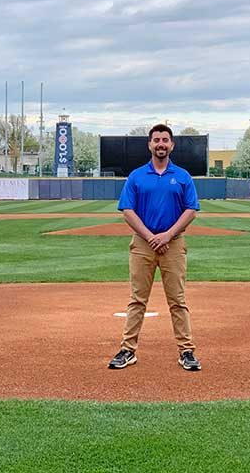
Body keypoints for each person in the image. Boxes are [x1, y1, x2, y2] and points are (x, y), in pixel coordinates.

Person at [108, 124, 202, 371]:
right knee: (137, 300)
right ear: (150, 144)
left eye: (165, 140)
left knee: (177, 300)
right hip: (142, 245)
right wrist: (151, 237)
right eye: (156, 140)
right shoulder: (137, 176)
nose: (161, 144)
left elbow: (191, 209)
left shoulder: (182, 176)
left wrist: (167, 236)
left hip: (173, 244)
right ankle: (128, 350)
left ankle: (187, 351)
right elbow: (127, 211)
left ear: (172, 145)